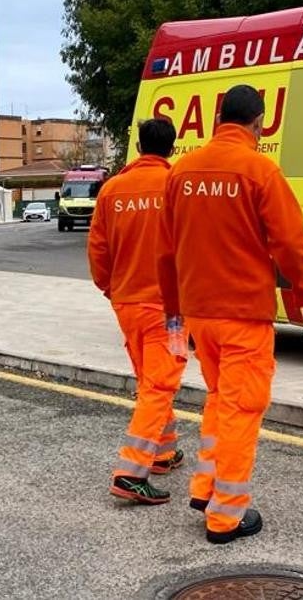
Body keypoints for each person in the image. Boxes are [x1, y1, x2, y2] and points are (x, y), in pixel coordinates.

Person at [158, 85, 303, 544]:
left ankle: (206, 488)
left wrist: (174, 314)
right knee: (241, 409)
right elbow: (290, 242)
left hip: (199, 314)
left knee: (218, 400)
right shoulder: (260, 171)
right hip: (244, 315)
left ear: (218, 119)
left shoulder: (182, 171)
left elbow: (166, 250)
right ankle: (226, 515)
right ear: (259, 123)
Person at [88, 117, 187, 505]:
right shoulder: (179, 185)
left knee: (150, 381)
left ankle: (162, 452)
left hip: (127, 302)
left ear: (140, 146)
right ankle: (131, 472)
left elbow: (98, 249)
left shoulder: (113, 190)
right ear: (172, 146)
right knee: (161, 385)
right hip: (169, 307)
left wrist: (111, 288)